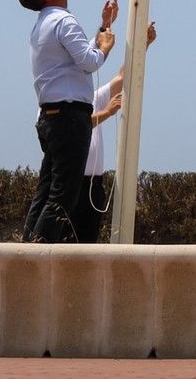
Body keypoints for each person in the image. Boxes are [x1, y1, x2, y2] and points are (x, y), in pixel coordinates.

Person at [17, 0, 118, 244]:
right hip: (69, 116)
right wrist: (106, 48)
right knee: (63, 196)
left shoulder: (43, 23)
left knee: (46, 191)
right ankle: (38, 255)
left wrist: (103, 27)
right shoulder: (63, 20)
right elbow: (90, 62)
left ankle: (27, 250)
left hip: (52, 116)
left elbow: (77, 56)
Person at [71, 20, 157, 244]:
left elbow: (122, 78)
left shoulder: (91, 98)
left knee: (87, 244)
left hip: (94, 184)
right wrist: (107, 113)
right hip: (71, 182)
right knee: (65, 242)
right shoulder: (56, 103)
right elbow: (74, 125)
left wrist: (142, 46)